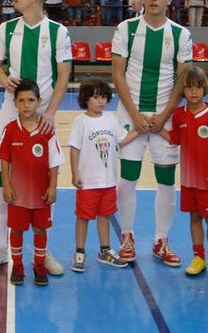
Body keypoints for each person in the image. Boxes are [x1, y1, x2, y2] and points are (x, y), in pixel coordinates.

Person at [0, 0, 72, 277]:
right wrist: (1, 78)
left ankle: (42, 253)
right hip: (11, 112)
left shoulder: (58, 32)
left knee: (43, 181)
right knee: (2, 176)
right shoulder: (7, 29)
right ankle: (0, 247)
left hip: (44, 114)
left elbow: (63, 76)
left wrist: (51, 112)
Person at [111, 0, 191, 267]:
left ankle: (161, 240)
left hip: (164, 118)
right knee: (128, 178)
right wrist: (135, 115)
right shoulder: (126, 29)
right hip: (130, 115)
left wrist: (163, 116)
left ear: (169, 0)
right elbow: (117, 74)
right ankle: (127, 236)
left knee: (166, 181)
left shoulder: (181, 35)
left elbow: (183, 80)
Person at [160, 67, 208, 280]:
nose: (194, 92)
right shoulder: (178, 115)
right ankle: (198, 257)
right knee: (194, 218)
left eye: (198, 87)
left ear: (204, 89)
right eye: (189, 88)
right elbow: (175, 138)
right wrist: (157, 128)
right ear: (182, 90)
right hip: (189, 180)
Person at [0, 78, 64, 287]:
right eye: (22, 100)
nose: (27, 105)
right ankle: (17, 267)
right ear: (15, 102)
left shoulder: (47, 129)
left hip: (41, 193)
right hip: (17, 194)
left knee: (40, 229)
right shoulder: (10, 130)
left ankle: (39, 266)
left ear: (39, 101)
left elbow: (54, 161)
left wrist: (52, 186)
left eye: (31, 100)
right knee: (16, 230)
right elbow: (5, 159)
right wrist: (7, 185)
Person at [67, 79, 134, 272]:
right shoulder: (81, 122)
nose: (100, 101)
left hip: (108, 181)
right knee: (83, 217)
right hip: (88, 182)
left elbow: (122, 139)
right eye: (95, 97)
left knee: (105, 215)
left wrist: (140, 129)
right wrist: (75, 173)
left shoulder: (111, 118)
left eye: (103, 97)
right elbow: (74, 149)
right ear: (86, 99)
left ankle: (105, 250)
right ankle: (79, 252)